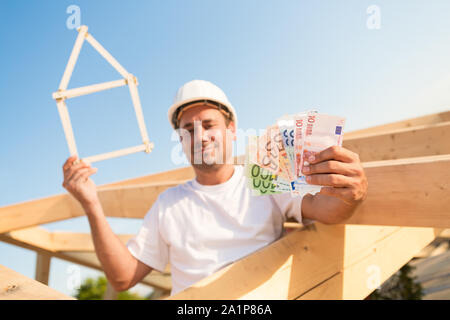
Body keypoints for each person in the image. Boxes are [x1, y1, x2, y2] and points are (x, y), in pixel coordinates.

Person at [62, 80, 368, 295]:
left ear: (231, 130)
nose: (200, 136)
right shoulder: (169, 204)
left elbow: (327, 210)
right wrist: (91, 204)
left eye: (209, 125)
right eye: (189, 130)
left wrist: (351, 193)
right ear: (181, 140)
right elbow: (123, 277)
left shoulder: (262, 178)